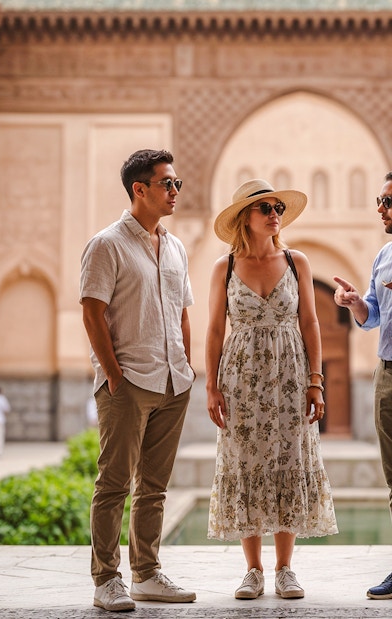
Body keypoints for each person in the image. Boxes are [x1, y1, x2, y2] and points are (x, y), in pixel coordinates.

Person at [206, 179, 338, 601]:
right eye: (264, 207)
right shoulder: (223, 267)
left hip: (290, 377)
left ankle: (284, 568)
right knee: (245, 463)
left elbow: (311, 323)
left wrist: (316, 381)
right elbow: (213, 329)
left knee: (288, 460)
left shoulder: (296, 261)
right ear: (245, 217)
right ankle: (253, 570)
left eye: (277, 206)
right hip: (241, 380)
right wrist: (210, 385)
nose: (273, 213)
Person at [79, 149, 196, 612]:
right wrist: (113, 375)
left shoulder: (176, 246)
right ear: (139, 189)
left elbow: (183, 310)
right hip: (128, 383)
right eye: (167, 183)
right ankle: (106, 579)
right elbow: (92, 311)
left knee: (155, 487)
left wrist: (185, 366)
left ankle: (146, 573)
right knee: (113, 484)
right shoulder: (106, 244)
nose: (174, 191)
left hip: (173, 382)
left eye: (176, 183)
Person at [333, 171, 392, 600]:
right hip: (387, 373)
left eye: (387, 202)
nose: (380, 209)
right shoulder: (384, 255)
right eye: (379, 200)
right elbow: (372, 315)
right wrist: (357, 303)